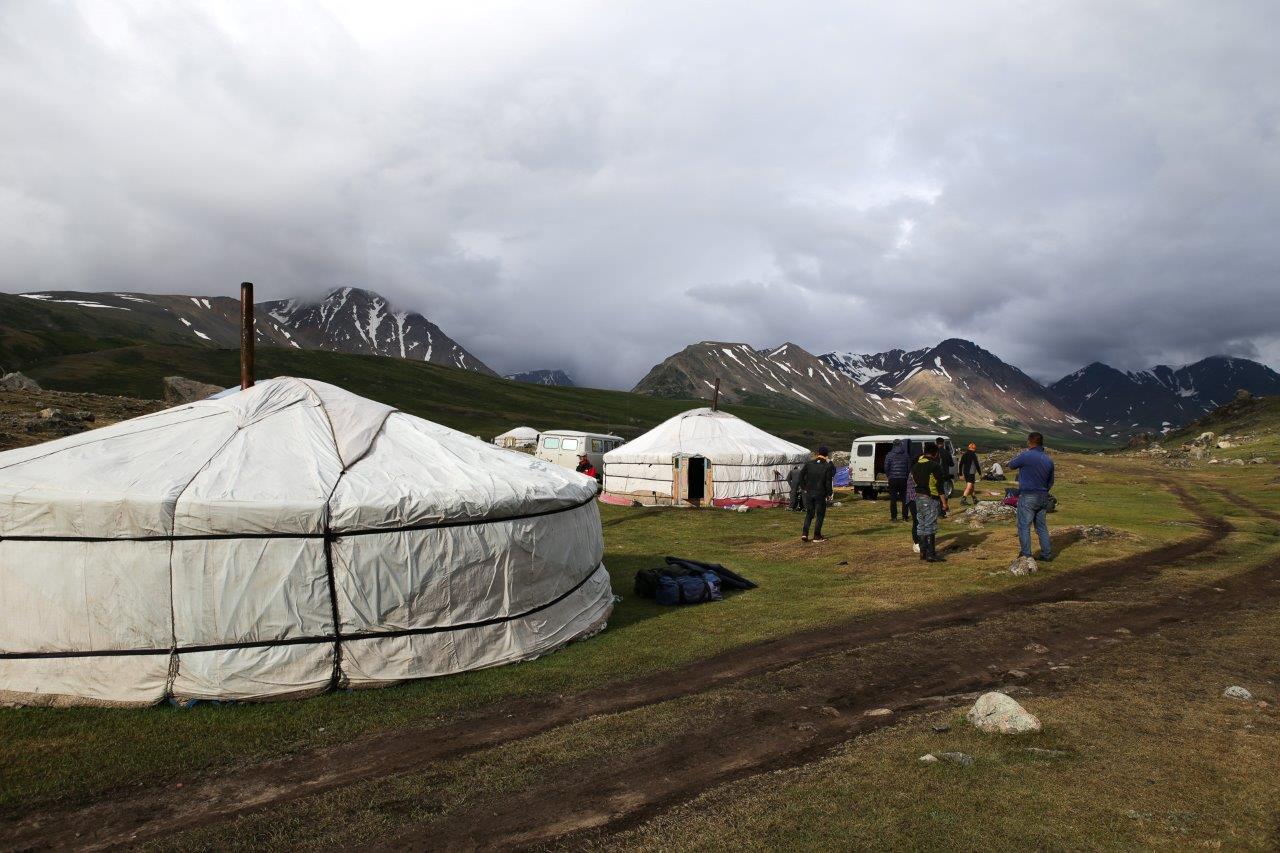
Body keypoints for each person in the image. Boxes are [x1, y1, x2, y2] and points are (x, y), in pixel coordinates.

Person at [1008, 432, 1055, 562]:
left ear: (1030, 442)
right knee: (1041, 527)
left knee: (1024, 525)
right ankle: (1046, 554)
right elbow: (1051, 482)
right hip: (1044, 495)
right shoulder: (1048, 459)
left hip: (1028, 495)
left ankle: (1026, 555)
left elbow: (1011, 465)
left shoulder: (1026, 456)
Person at [911, 443, 948, 562]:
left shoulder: (915, 466)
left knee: (921, 524)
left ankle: (923, 551)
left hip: (918, 497)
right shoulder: (934, 466)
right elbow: (939, 485)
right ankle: (931, 554)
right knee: (930, 525)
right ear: (935, 453)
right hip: (930, 497)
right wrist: (944, 503)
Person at [799, 445, 836, 542]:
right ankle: (817, 536)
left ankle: (804, 534)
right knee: (820, 514)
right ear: (826, 455)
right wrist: (829, 493)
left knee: (809, 514)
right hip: (820, 493)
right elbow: (828, 481)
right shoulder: (827, 466)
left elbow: (801, 475)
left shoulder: (809, 463)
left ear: (818, 454)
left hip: (809, 492)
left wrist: (804, 487)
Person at [883, 438, 911, 522]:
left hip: (893, 479)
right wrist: (906, 475)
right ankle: (905, 516)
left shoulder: (889, 455)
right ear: (901, 445)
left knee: (893, 499)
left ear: (893, 445)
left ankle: (894, 517)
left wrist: (889, 475)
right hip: (903, 479)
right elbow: (909, 468)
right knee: (904, 498)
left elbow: (886, 467)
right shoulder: (906, 455)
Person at [905, 467, 920, 554]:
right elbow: (916, 484)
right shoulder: (914, 472)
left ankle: (921, 540)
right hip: (913, 498)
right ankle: (916, 542)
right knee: (916, 520)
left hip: (921, 498)